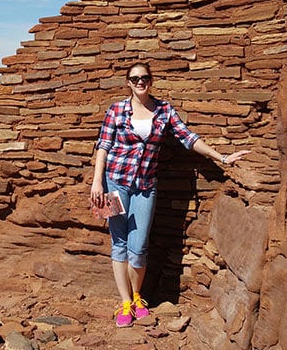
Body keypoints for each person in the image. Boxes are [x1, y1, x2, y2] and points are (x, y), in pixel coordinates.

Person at [90, 61, 250, 328]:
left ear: (150, 81)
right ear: (128, 82)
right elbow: (103, 147)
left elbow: (188, 138)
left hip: (145, 186)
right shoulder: (116, 109)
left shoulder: (163, 110)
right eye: (134, 78)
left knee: (138, 247)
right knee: (119, 243)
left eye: (144, 78)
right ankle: (125, 302)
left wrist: (222, 157)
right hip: (115, 183)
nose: (140, 82)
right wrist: (97, 183)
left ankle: (138, 296)